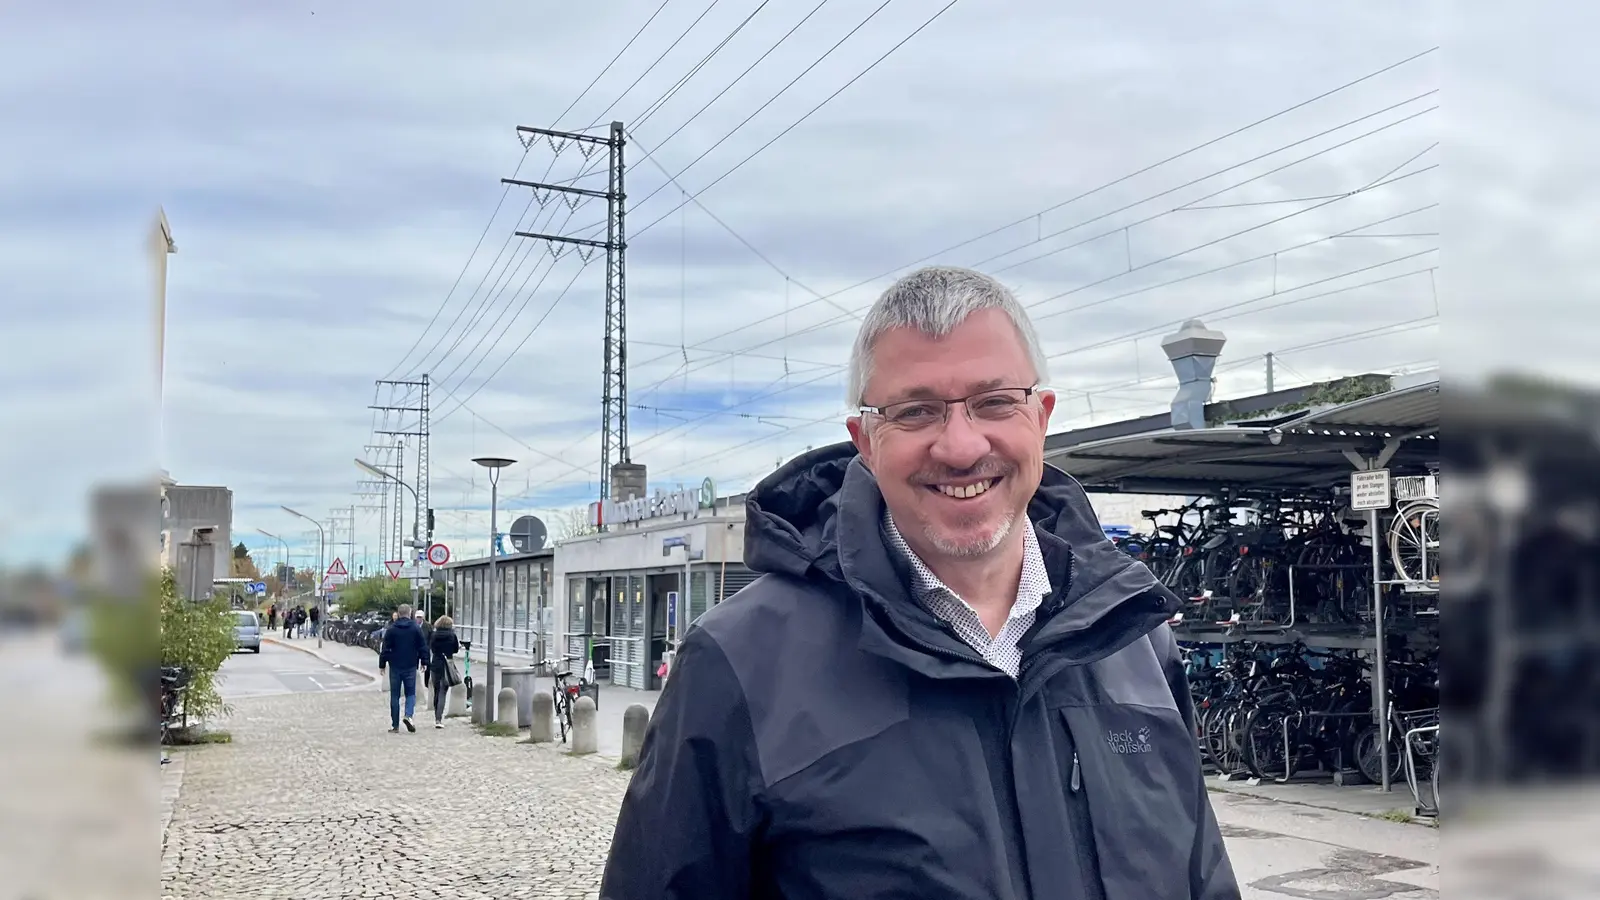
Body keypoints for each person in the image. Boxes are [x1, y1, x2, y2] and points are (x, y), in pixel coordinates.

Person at [600, 266, 1238, 899]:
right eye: (916, 411)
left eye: (994, 401)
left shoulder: (1132, 641)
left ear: (1040, 417)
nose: (960, 447)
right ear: (866, 442)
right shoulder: (739, 664)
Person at [377, 603, 428, 733]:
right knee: (410, 693)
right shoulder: (415, 628)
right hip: (410, 664)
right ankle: (408, 716)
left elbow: (385, 648)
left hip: (395, 665)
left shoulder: (392, 629)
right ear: (410, 613)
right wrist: (424, 661)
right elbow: (422, 646)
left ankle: (395, 725)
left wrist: (382, 664)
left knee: (395, 695)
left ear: (398, 614)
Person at [426, 615, 460, 728]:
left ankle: (437, 714)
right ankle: (438, 718)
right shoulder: (452, 635)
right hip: (447, 664)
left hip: (436, 664)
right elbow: (455, 649)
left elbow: (432, 648)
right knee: (443, 691)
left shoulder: (434, 635)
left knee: (437, 690)